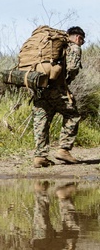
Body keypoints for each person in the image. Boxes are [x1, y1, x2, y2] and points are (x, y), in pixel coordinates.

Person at [31, 26, 85, 168]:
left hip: (40, 88)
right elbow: (72, 68)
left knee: (41, 120)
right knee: (72, 115)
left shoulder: (45, 49)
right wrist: (64, 81)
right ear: (78, 38)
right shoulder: (73, 47)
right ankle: (64, 150)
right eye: (82, 41)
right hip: (56, 88)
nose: (81, 43)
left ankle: (40, 157)